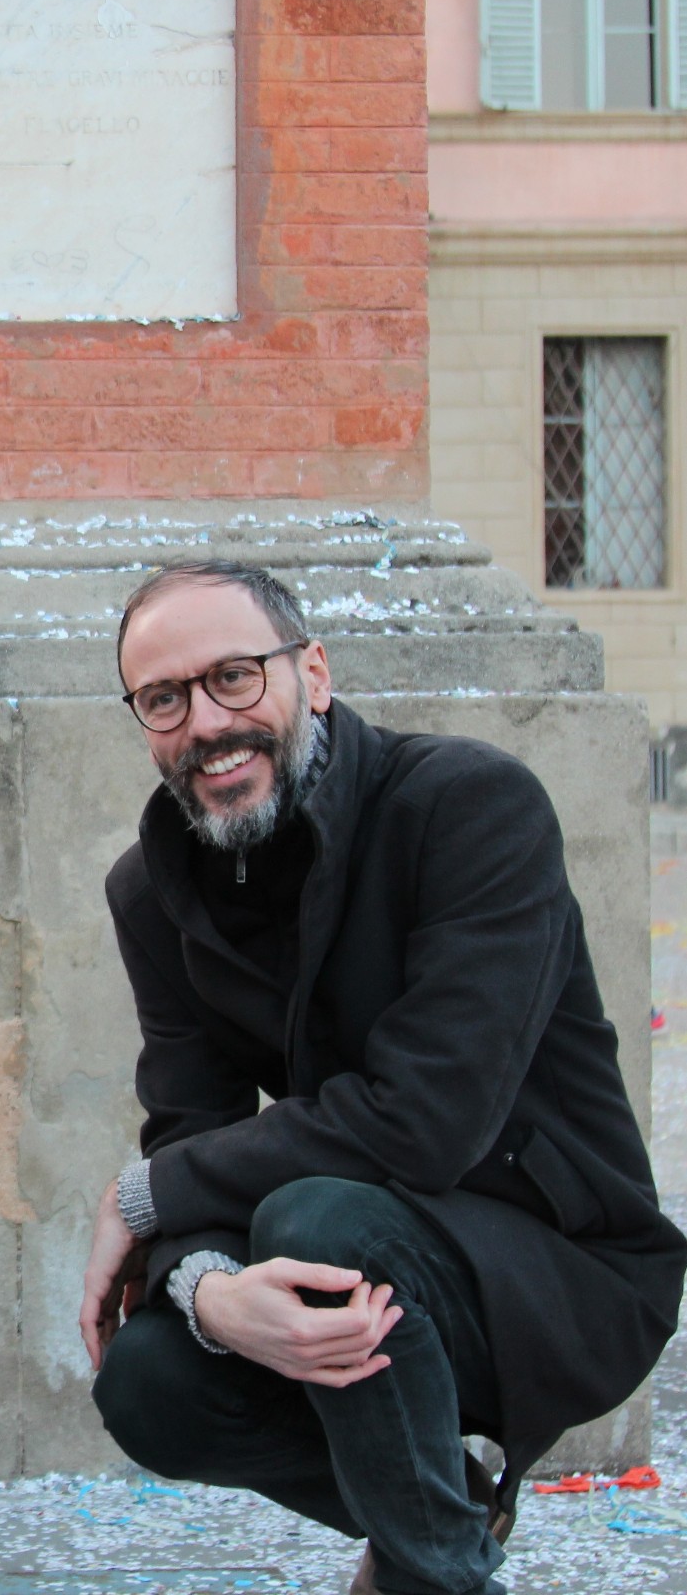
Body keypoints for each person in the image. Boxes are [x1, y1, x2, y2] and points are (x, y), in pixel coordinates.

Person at [80, 560, 687, 1595]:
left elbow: (425, 1121)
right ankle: (444, 1505)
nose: (205, 723)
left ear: (312, 672)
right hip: (358, 1256)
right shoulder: (153, 889)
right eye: (164, 698)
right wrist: (206, 1289)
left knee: (320, 1225)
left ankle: (433, 1575)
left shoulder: (467, 806)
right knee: (147, 1381)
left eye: (234, 676)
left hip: (564, 1266)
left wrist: (144, 1199)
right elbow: (190, 1129)